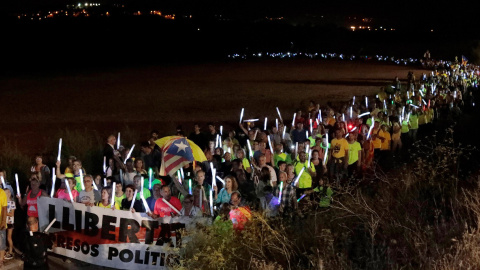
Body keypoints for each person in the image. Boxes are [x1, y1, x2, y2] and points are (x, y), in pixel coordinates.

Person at [3, 185, 15, 260]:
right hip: (4, 222)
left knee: (9, 238)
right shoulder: (3, 203)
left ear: (9, 193)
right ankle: (4, 250)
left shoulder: (12, 203)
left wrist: (3, 212)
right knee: (3, 237)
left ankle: (11, 251)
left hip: (10, 222)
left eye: (7, 193)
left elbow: (11, 214)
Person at [0, 185, 6, 267]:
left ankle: (1, 260)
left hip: (0, 222)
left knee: (1, 243)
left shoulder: (1, 192)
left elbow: (4, 207)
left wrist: (3, 221)